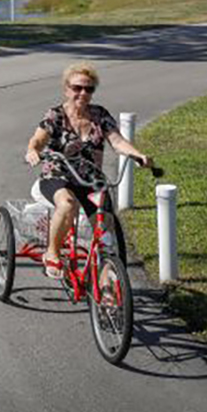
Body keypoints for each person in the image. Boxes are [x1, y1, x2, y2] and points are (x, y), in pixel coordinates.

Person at [24, 62, 153, 279]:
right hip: (58, 175)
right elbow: (38, 139)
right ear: (66, 89)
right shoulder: (56, 115)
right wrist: (33, 151)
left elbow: (117, 141)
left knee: (105, 231)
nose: (83, 93)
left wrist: (138, 155)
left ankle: (107, 286)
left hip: (91, 180)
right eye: (77, 88)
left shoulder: (100, 115)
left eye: (89, 89)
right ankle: (52, 253)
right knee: (67, 204)